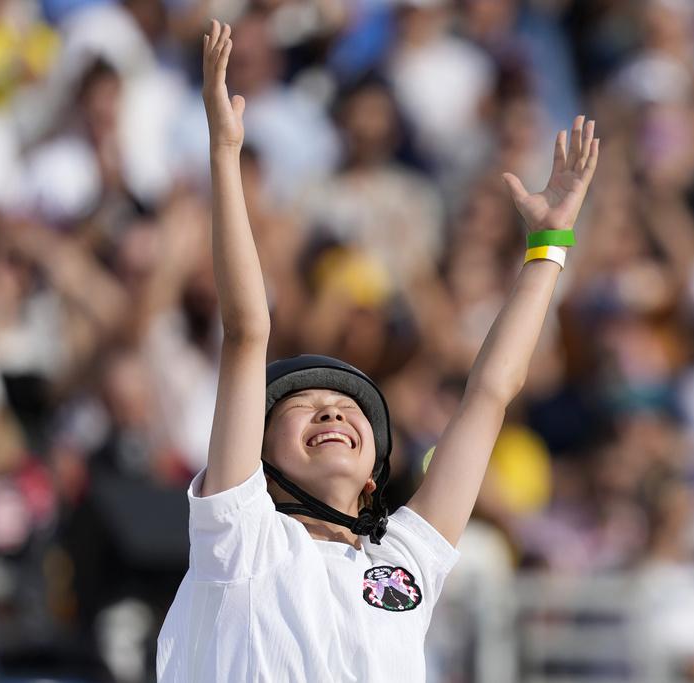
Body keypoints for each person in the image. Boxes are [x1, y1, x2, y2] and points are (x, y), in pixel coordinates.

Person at [156, 20, 599, 683]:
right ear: (260, 460)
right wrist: (224, 151)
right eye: (306, 408)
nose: (332, 412)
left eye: (346, 408)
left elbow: (489, 393)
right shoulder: (239, 536)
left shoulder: (402, 564)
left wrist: (547, 249)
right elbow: (248, 329)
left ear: (372, 477)